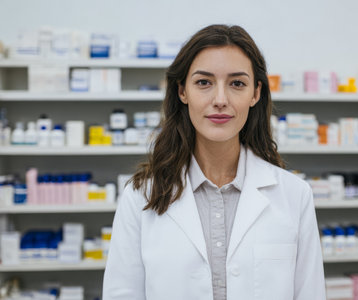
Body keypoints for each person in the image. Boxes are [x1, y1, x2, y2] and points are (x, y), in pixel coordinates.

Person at [103, 24, 325, 300]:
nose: (220, 100)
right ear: (182, 91)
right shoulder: (141, 197)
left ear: (255, 93)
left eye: (237, 84)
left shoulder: (293, 195)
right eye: (204, 82)